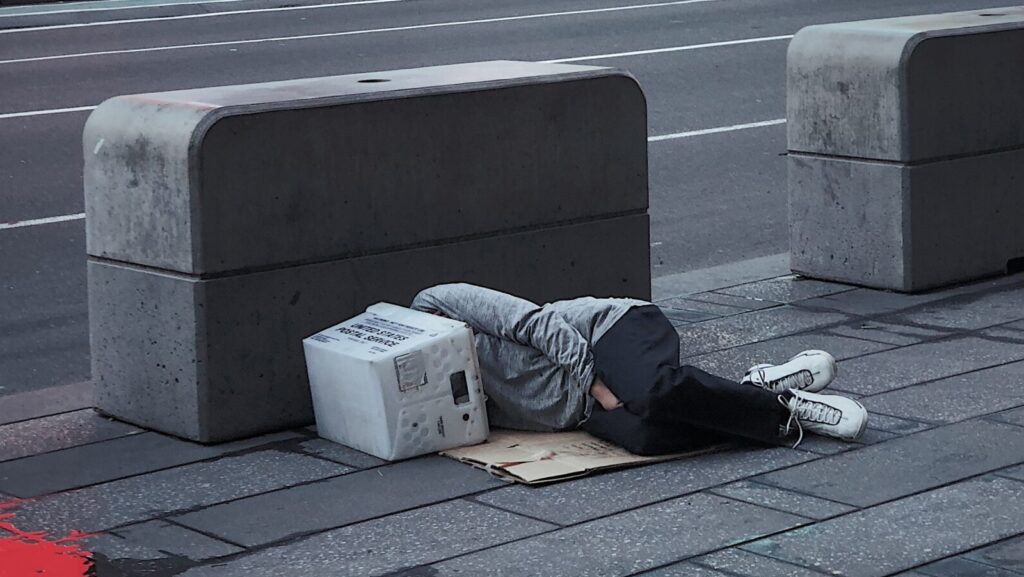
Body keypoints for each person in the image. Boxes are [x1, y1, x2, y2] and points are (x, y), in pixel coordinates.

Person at [411, 283, 867, 455]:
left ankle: (782, 411)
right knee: (648, 437)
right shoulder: (430, 387)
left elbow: (537, 322)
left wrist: (599, 389)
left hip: (609, 332)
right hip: (583, 409)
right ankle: (756, 387)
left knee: (651, 392)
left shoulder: (439, 304)